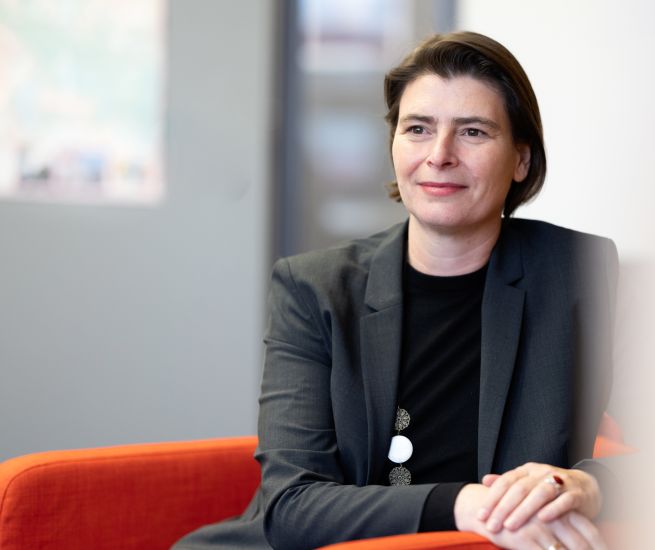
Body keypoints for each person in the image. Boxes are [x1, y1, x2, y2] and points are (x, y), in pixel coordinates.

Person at [174, 31, 618, 550]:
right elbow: (291, 506)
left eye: (473, 131)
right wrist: (465, 505)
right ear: (393, 146)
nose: (440, 155)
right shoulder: (313, 289)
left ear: (521, 159)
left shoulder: (578, 272)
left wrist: (590, 486)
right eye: (418, 129)